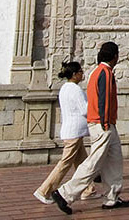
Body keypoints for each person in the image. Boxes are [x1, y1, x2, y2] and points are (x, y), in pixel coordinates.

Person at [51, 42, 129, 214]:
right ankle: (64, 194)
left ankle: (112, 197)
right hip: (102, 123)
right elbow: (103, 99)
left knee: (115, 159)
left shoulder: (100, 72)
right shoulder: (104, 73)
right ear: (114, 56)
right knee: (94, 162)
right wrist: (104, 122)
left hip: (108, 123)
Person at [33, 62, 101, 204]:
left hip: (72, 130)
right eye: (81, 72)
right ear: (75, 74)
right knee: (65, 162)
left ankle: (88, 190)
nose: (82, 74)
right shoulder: (75, 90)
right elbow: (85, 110)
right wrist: (95, 101)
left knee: (82, 162)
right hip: (74, 131)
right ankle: (44, 190)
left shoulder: (64, 88)